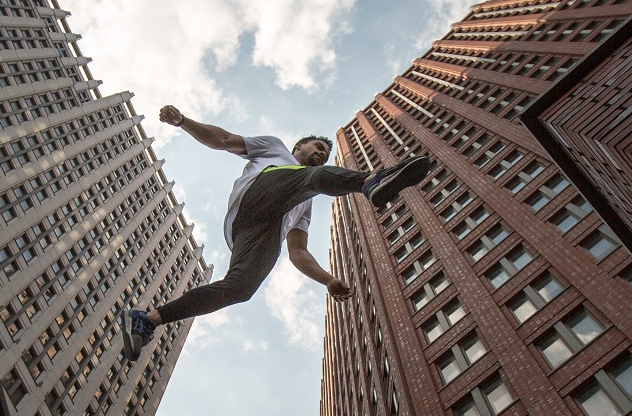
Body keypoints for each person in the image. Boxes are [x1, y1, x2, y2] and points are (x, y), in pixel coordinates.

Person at [120, 105, 432, 359]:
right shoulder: (274, 148)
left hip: (261, 234)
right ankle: (368, 181)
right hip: (255, 199)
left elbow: (297, 251)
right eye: (318, 147)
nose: (322, 154)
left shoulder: (306, 199)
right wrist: (184, 122)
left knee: (239, 289)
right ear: (300, 145)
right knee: (312, 179)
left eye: (326, 153)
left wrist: (327, 279)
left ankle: (147, 320)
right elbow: (225, 140)